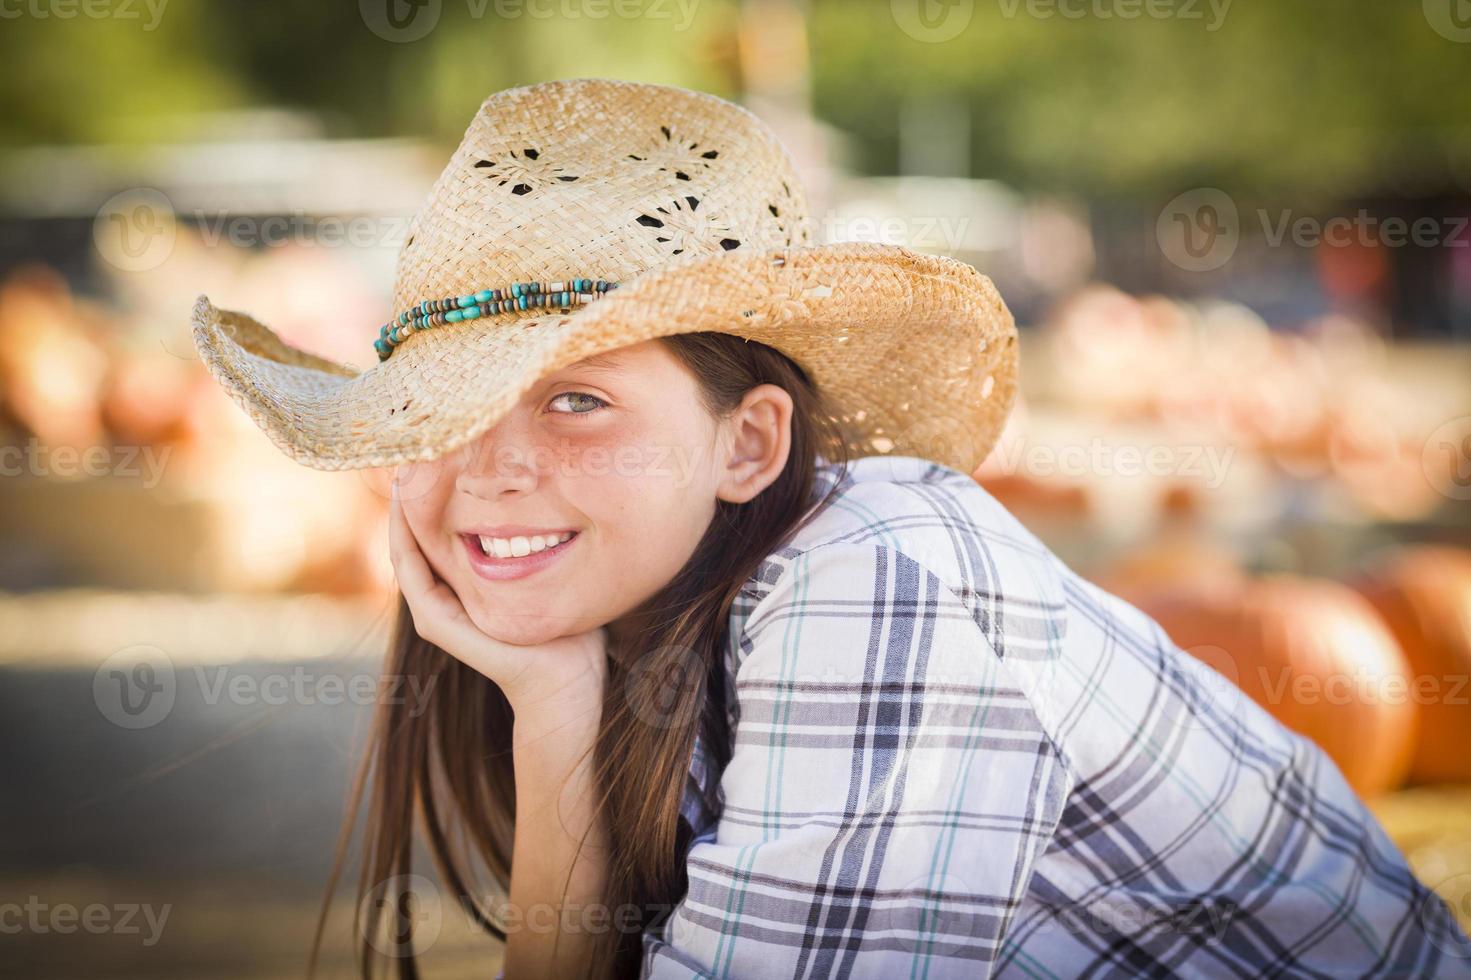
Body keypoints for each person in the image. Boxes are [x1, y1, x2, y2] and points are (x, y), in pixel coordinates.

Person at [191, 77, 1471, 980]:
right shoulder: (634, 637)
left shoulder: (871, 586)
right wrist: (555, 710)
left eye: (576, 399)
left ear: (747, 443)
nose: (491, 469)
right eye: (444, 409)